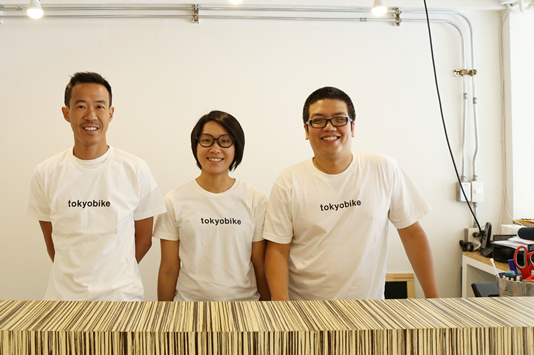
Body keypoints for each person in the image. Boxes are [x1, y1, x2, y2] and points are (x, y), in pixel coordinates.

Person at [263, 86, 440, 300]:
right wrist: (282, 310)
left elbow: (412, 235)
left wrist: (433, 299)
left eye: (339, 119)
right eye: (318, 121)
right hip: (306, 309)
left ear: (352, 127)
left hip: (369, 309)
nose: (329, 127)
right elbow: (277, 251)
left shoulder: (384, 169)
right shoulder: (289, 181)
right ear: (306, 130)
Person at [27, 72, 166, 301]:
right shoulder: (46, 172)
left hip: (121, 300)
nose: (91, 115)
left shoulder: (136, 169)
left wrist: (115, 276)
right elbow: (53, 243)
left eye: (99, 106)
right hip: (63, 301)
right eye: (81, 106)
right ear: (66, 113)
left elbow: (144, 240)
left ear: (110, 113)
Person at [155, 110, 270, 301]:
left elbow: (259, 264)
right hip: (189, 307)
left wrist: (267, 309)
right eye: (207, 140)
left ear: (237, 148)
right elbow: (168, 270)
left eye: (225, 141)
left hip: (244, 306)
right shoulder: (174, 200)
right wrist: (165, 314)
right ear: (196, 145)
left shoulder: (255, 199)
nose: (215, 148)